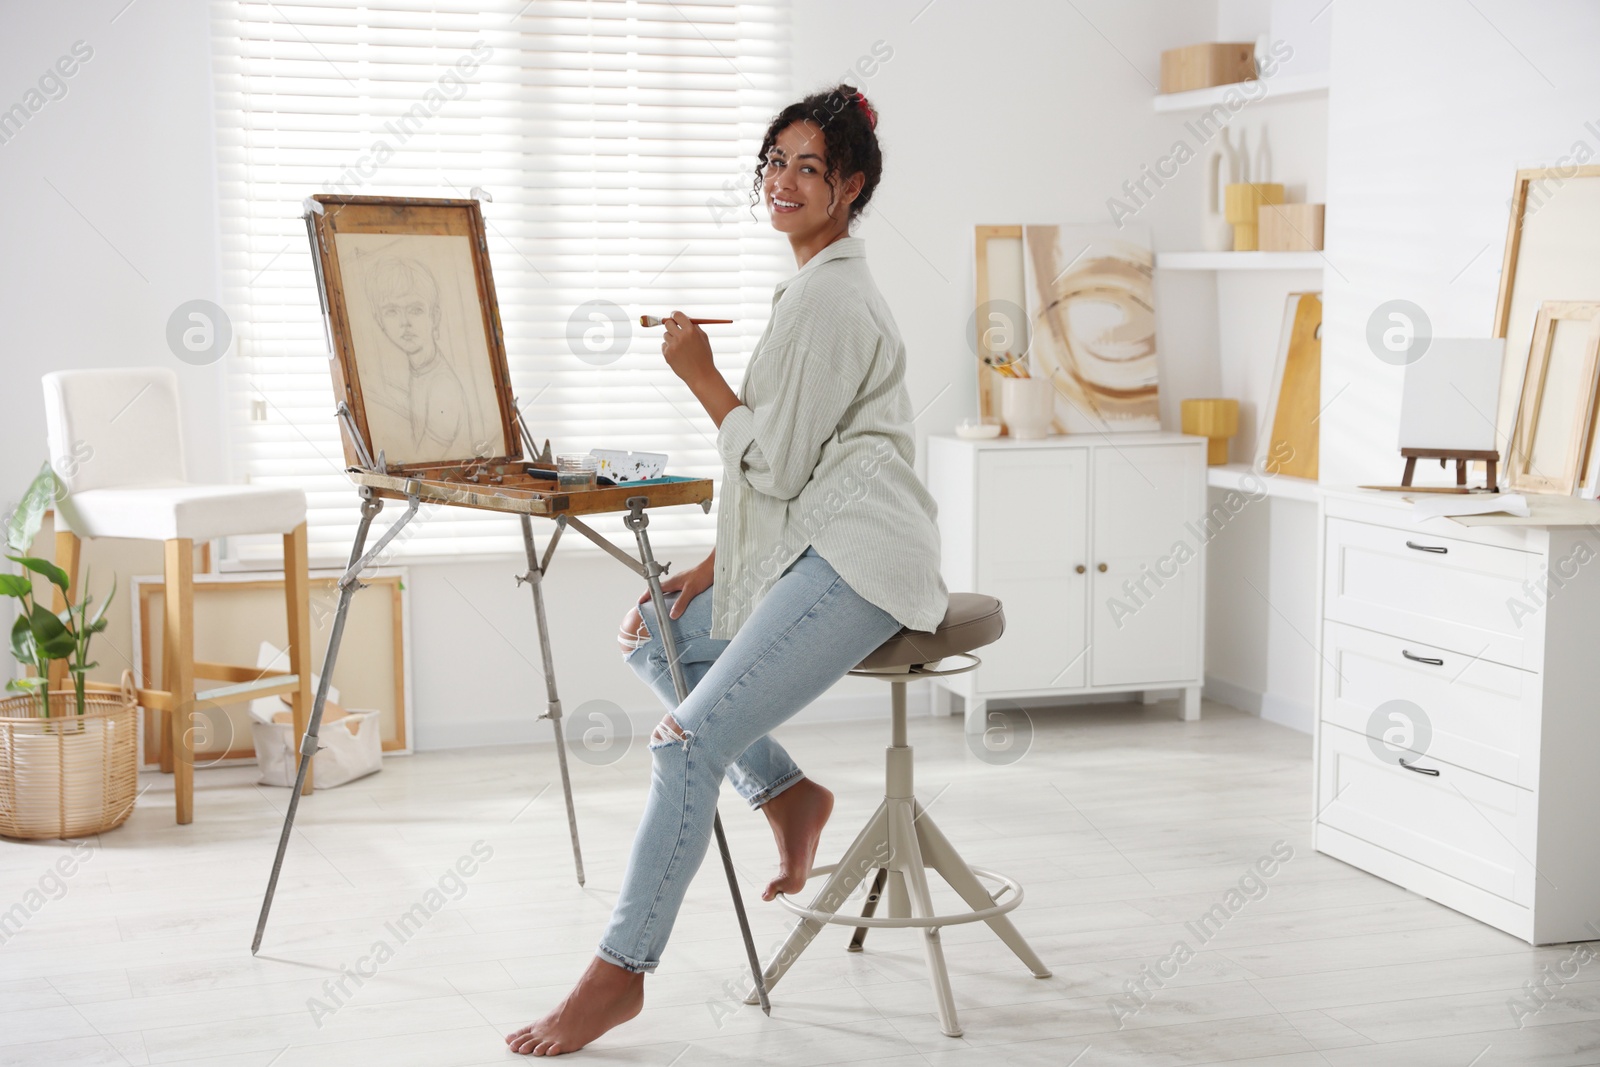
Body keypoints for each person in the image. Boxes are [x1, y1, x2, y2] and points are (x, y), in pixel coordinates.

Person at [506, 83, 948, 1057]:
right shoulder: (809, 289)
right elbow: (796, 470)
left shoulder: (828, 298)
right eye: (772, 164)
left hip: (864, 561)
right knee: (659, 632)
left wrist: (698, 371)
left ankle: (617, 973)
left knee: (681, 745)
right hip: (816, 542)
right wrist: (708, 572)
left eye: (807, 168)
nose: (782, 182)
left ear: (849, 189)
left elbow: (777, 464)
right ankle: (788, 793)